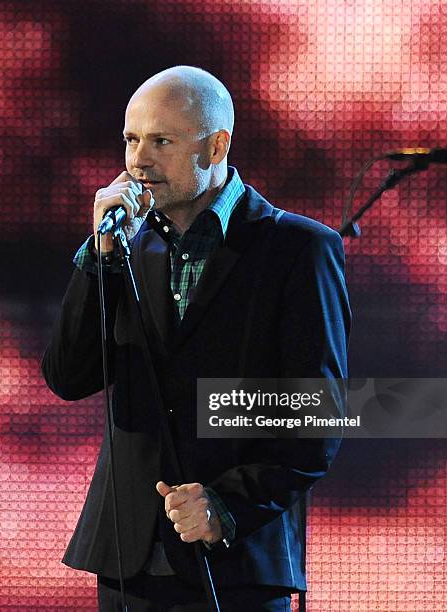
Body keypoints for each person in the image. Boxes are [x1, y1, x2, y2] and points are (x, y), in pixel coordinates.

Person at [42, 64, 351, 611]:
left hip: (238, 564)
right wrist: (100, 259)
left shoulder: (297, 249)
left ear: (216, 146)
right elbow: (68, 376)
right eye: (132, 140)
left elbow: (315, 418)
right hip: (126, 560)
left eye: (161, 141)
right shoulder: (124, 247)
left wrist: (225, 505)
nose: (138, 161)